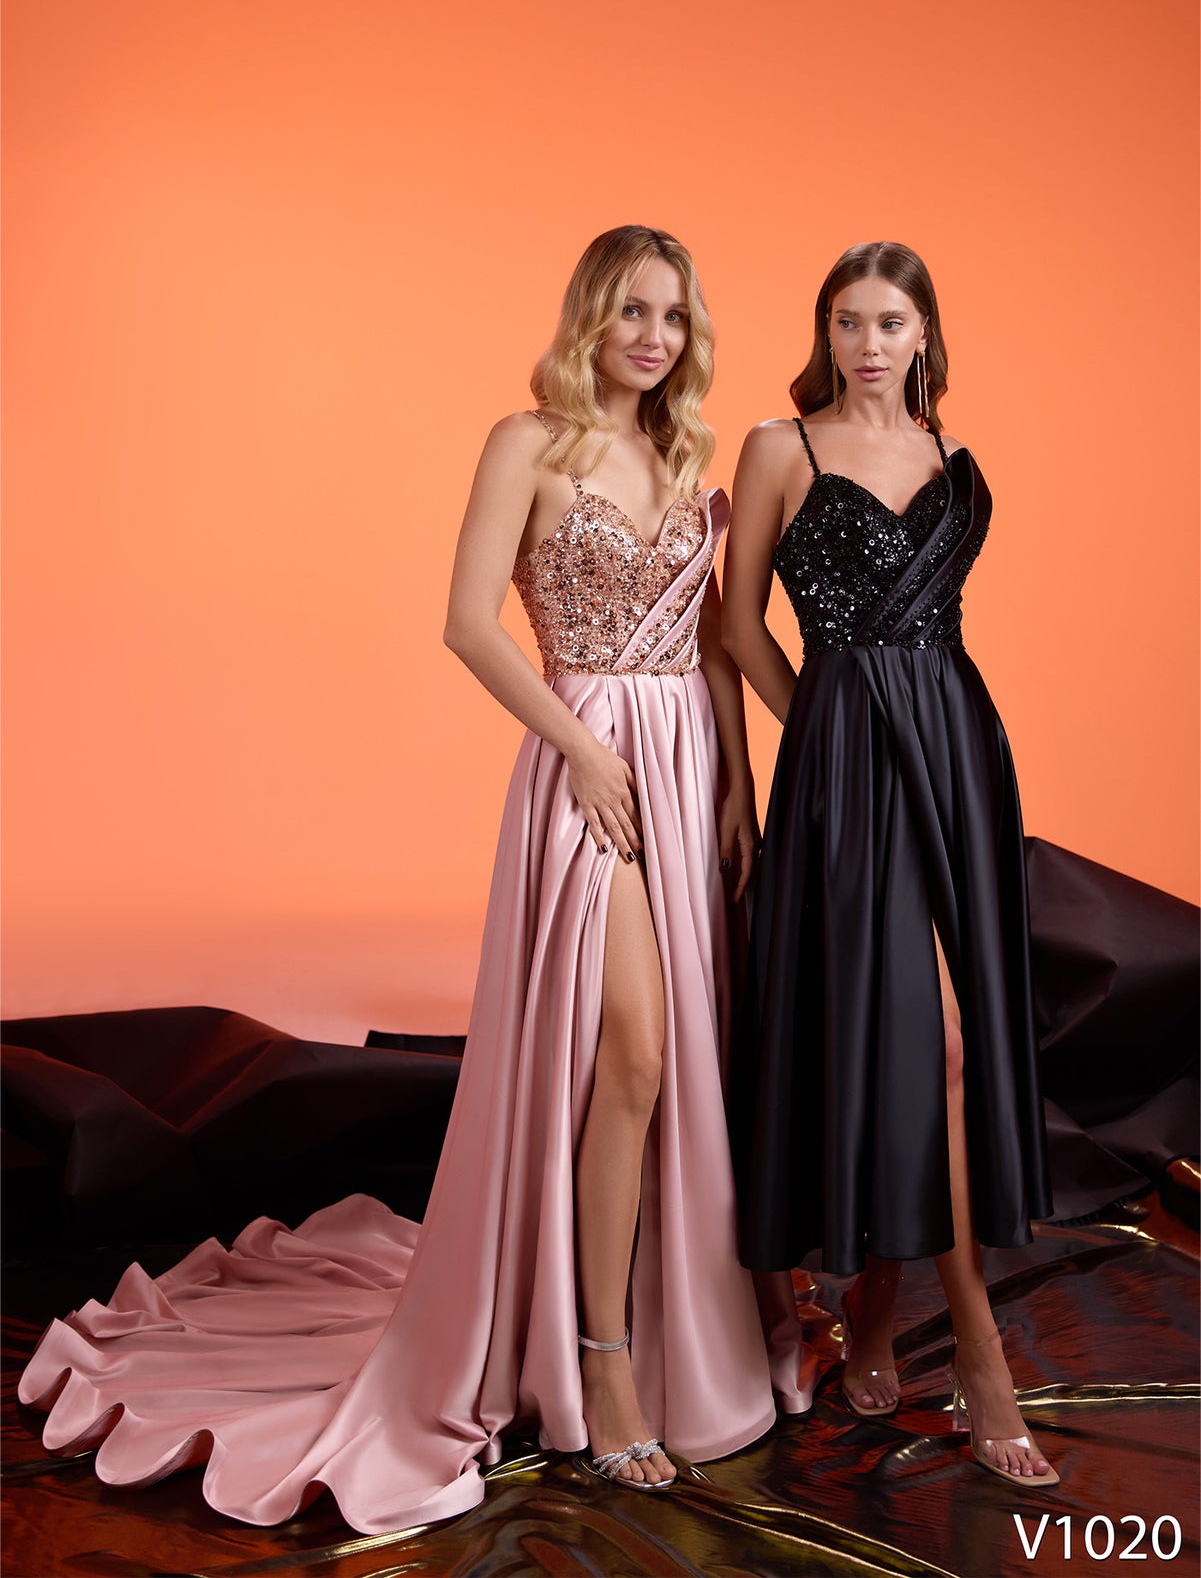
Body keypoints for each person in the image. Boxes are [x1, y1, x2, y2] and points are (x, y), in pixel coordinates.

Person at [20, 225, 813, 1533]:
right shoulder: (527, 443)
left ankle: (659, 1326)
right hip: (589, 762)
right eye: (631, 311)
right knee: (630, 1054)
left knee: (678, 1068)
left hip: (687, 772)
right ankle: (602, 1367)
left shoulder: (686, 454)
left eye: (674, 315)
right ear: (589, 316)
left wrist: (737, 789)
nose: (653, 337)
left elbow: (713, 644)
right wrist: (582, 751)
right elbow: (466, 623)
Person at [721, 240, 1059, 1489]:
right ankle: (977, 1347)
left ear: (924, 335)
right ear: (825, 332)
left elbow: (938, 630)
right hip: (846, 769)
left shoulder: (951, 457)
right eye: (847, 321)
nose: (868, 343)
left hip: (957, 757)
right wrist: (819, 728)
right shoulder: (781, 447)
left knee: (946, 1048)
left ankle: (872, 1307)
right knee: (922, 1042)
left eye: (890, 322)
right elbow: (734, 621)